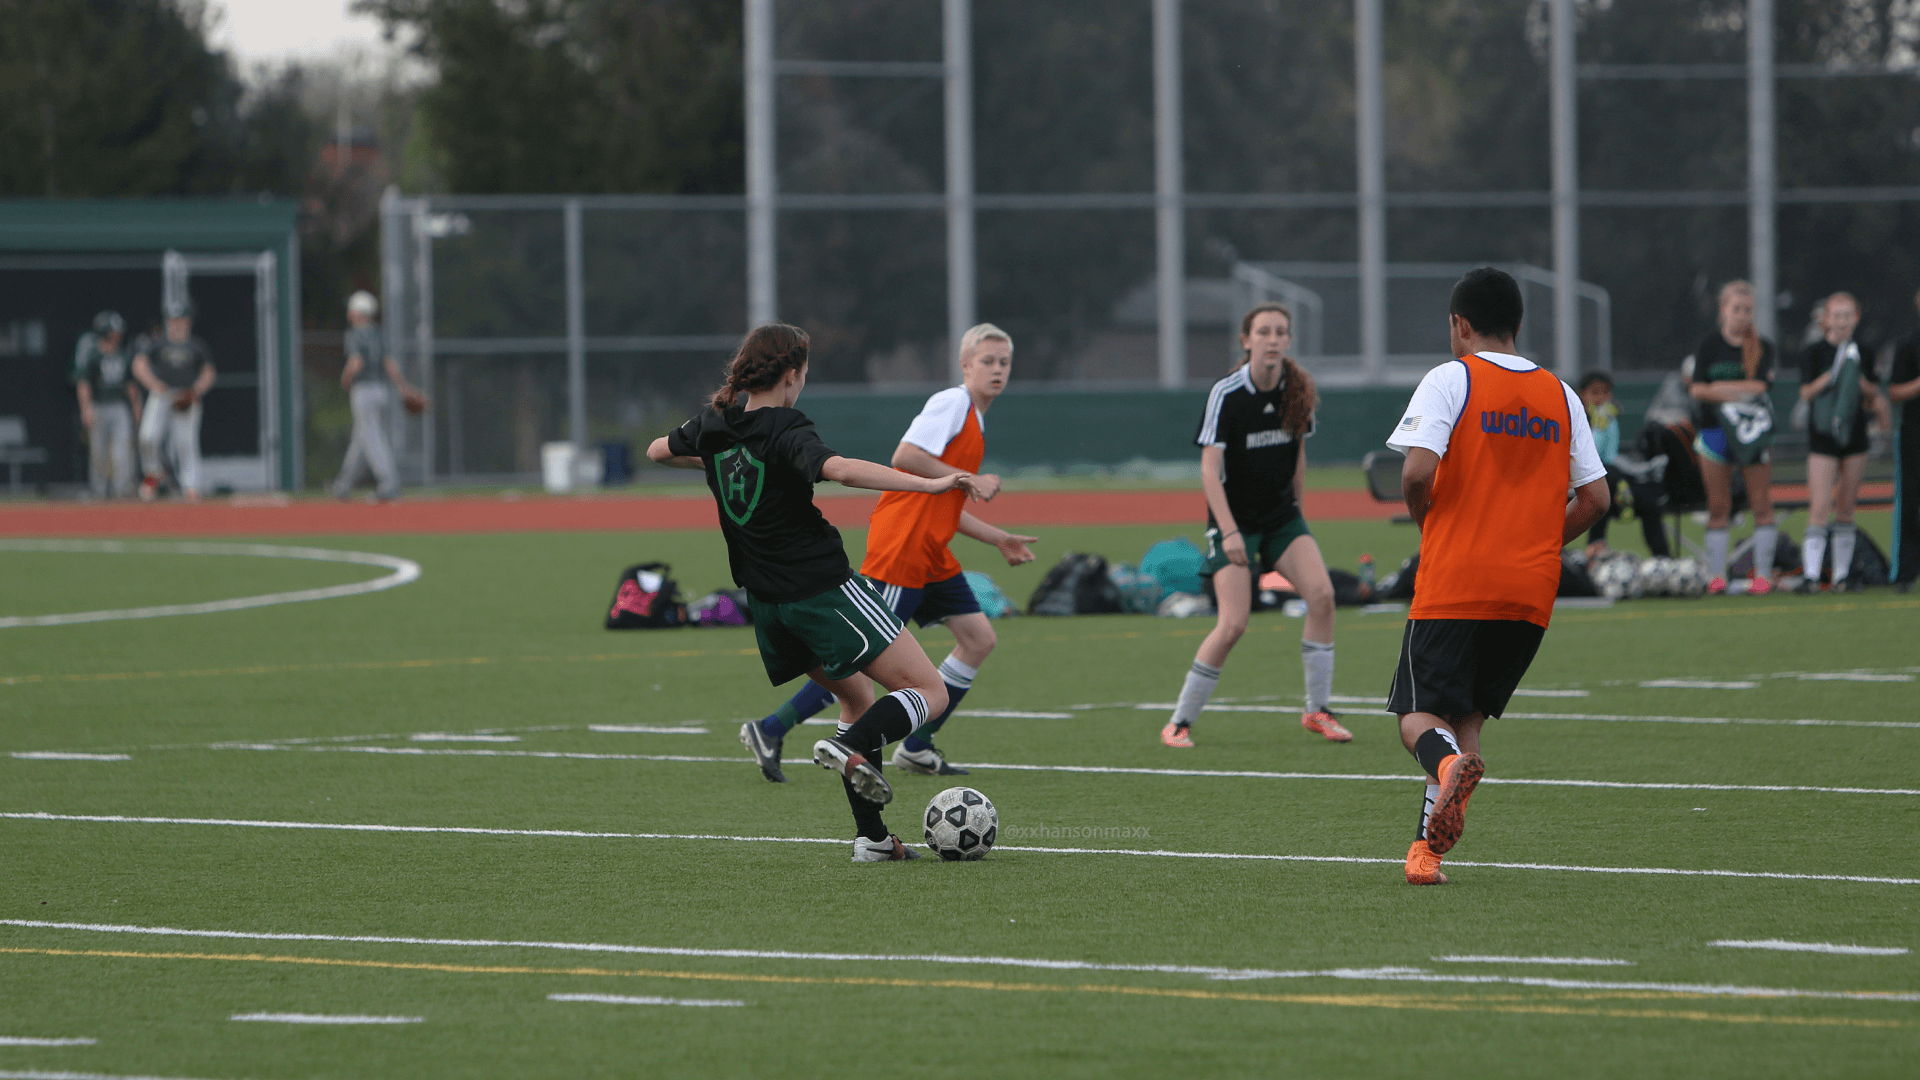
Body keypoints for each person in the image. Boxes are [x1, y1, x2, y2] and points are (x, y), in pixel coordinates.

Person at [647, 323, 980, 861]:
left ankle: (873, 840)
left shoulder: (716, 424)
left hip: (767, 606)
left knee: (856, 697)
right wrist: (929, 484)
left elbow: (657, 450)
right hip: (822, 591)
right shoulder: (786, 426)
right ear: (792, 374)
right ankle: (852, 745)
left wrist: (717, 456)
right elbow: (842, 470)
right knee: (930, 691)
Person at [1384, 268, 1609, 885]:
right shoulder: (1562, 394)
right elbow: (1596, 498)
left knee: (1417, 716)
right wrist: (1539, 542)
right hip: (1529, 592)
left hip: (1457, 579)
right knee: (1467, 720)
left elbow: (1415, 472)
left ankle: (1447, 769)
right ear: (1518, 324)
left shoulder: (1450, 378)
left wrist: (1426, 519)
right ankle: (1425, 855)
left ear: (1459, 324)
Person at [739, 323, 1038, 782]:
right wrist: (968, 476)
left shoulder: (975, 418)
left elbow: (944, 501)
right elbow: (906, 457)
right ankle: (771, 728)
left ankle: (916, 746)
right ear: (965, 365)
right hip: (902, 549)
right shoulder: (953, 403)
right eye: (987, 361)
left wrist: (997, 537)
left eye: (1004, 362)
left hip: (931, 553)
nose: (997, 369)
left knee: (979, 639)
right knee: (860, 657)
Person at [1160, 302, 1348, 749]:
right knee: (1233, 624)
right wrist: (1228, 533)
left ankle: (1318, 711)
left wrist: (1299, 516)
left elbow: (1298, 456)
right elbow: (1210, 471)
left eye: (1281, 332)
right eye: (1263, 332)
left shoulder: (1297, 389)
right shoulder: (1227, 393)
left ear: (1289, 340)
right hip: (1236, 522)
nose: (1273, 339)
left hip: (1282, 518)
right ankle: (1180, 722)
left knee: (1323, 597)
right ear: (1246, 341)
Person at [1686, 280, 1780, 593]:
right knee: (1718, 506)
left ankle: (1762, 576)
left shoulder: (1762, 346)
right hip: (1715, 432)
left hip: (1752, 434)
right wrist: (1735, 392)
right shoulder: (1709, 345)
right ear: (1723, 311)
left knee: (1761, 504)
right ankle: (1716, 577)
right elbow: (1698, 389)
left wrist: (1719, 389)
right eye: (1736, 309)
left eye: (1747, 310)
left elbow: (1760, 387)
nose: (1742, 315)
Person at [1797, 292, 1892, 591]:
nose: (1841, 321)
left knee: (1846, 506)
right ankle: (1812, 575)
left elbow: (1873, 394)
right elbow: (1806, 392)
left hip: (1855, 436)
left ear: (1856, 318)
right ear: (1826, 319)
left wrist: (1855, 375)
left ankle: (1841, 575)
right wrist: (1834, 373)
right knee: (1820, 505)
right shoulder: (1814, 351)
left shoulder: (1864, 351)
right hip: (1823, 436)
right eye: (1836, 315)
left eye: (1847, 315)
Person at [330, 291, 423, 502]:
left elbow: (356, 362)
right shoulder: (378, 334)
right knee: (361, 439)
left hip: (363, 391)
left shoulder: (355, 334)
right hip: (381, 390)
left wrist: (345, 378)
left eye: (352, 309)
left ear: (358, 313)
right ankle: (343, 486)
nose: (349, 313)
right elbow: (389, 363)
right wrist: (403, 387)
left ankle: (389, 484)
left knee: (372, 439)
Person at [132, 298, 215, 502]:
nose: (176, 324)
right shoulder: (157, 343)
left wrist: (196, 391)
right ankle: (153, 475)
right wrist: (154, 385)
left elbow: (208, 372)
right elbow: (139, 365)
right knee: (148, 437)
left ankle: (191, 487)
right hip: (162, 394)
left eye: (180, 320)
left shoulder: (196, 346)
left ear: (188, 322)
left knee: (185, 443)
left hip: (185, 395)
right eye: (172, 320)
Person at [71, 310, 141, 499]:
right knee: (98, 452)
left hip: (119, 407)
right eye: (113, 332)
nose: (117, 335)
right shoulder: (93, 355)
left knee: (122, 450)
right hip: (99, 406)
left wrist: (136, 406)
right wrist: (86, 408)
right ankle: (98, 491)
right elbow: (84, 384)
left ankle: (122, 490)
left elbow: (131, 385)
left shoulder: (123, 354)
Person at [1891, 288, 1920, 590]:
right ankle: (1907, 572)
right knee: (1911, 504)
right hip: (1915, 434)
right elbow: (1894, 392)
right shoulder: (1909, 345)